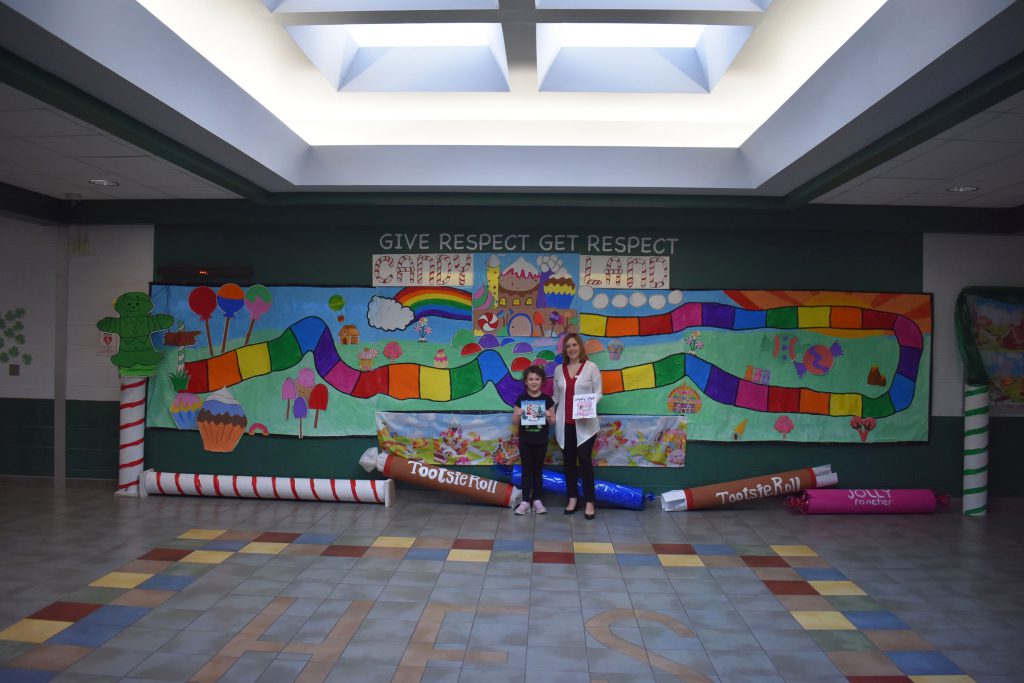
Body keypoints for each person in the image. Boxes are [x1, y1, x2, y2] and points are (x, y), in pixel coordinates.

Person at [553, 332, 602, 520]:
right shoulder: (559, 370)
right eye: (568, 346)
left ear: (580, 347)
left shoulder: (591, 368)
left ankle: (590, 501)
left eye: (574, 345)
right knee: (569, 462)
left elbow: (599, 393)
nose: (571, 348)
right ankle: (572, 498)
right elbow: (556, 397)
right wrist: (544, 408)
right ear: (565, 350)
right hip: (565, 424)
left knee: (584, 460)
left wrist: (588, 405)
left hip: (586, 425)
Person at [512, 365, 554, 515]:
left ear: (542, 381)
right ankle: (525, 501)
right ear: (526, 381)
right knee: (526, 471)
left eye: (537, 379)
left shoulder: (547, 400)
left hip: (541, 441)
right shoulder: (521, 399)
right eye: (531, 379)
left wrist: (549, 415)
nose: (534, 382)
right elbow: (515, 422)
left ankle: (536, 500)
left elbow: (553, 422)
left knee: (537, 471)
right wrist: (518, 414)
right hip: (525, 441)